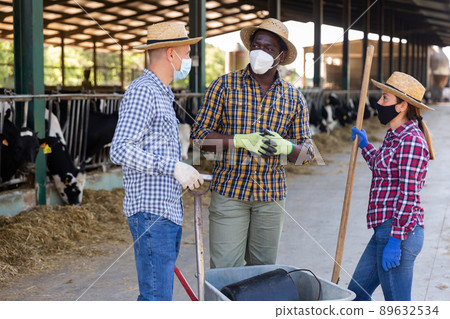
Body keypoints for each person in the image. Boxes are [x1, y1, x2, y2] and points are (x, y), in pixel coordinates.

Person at [191, 18, 315, 269]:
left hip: (270, 197)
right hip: (229, 193)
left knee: (264, 270)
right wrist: (239, 140)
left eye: (269, 48)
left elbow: (308, 153)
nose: (260, 52)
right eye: (257, 45)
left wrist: (287, 147)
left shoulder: (293, 98)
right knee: (225, 269)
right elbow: (199, 138)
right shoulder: (223, 86)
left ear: (280, 56)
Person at [110, 21, 204, 301]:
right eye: (186, 53)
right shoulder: (143, 91)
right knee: (156, 299)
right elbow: (120, 149)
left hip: (166, 210)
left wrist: (182, 169)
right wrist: (173, 167)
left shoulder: (163, 93)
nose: (188, 60)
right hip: (152, 213)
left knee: (159, 295)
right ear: (170, 54)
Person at [349, 71, 435, 301]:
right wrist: (365, 145)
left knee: (397, 306)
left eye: (385, 98)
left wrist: (395, 241)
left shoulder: (412, 141)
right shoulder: (393, 135)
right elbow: (381, 167)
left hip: (400, 232)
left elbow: (408, 195)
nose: (378, 102)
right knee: (355, 295)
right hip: (383, 230)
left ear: (402, 106)